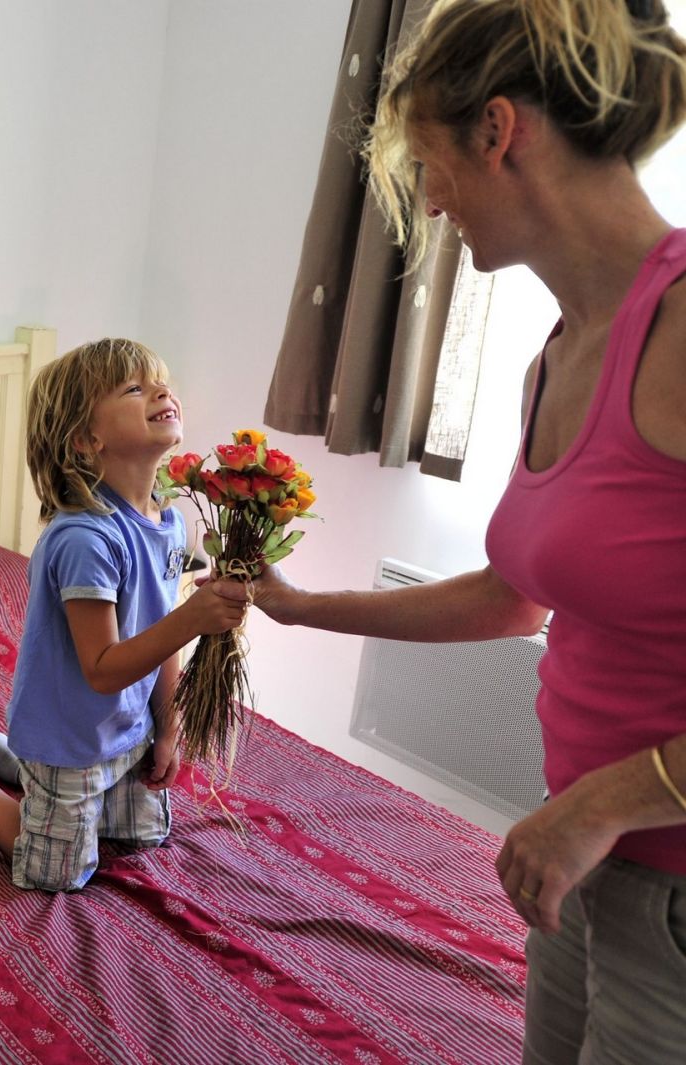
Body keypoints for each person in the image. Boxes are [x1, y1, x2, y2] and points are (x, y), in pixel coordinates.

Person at [250, 1, 686, 1060]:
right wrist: (301, 609)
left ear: (497, 131)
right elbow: (513, 598)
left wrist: (605, 803)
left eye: (426, 164)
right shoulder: (554, 358)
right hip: (582, 858)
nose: (430, 202)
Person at [0, 338, 250, 891]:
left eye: (162, 382)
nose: (162, 392)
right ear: (85, 438)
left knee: (144, 837)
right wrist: (193, 617)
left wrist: (168, 728)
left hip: (132, 729)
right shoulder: (84, 539)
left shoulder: (168, 522)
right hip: (69, 741)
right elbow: (101, 669)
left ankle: (6, 756)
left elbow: (161, 634)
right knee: (55, 875)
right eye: (135, 388)